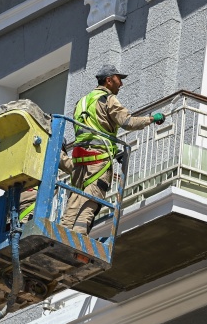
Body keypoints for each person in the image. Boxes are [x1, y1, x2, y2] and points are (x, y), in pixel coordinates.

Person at [60, 64, 165, 234]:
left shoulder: (82, 102)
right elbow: (127, 122)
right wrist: (152, 118)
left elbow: (93, 130)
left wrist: (115, 152)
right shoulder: (107, 99)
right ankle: (75, 243)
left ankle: (61, 237)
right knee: (89, 203)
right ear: (108, 80)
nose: (121, 84)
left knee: (74, 202)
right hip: (97, 161)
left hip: (79, 160)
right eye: (118, 79)